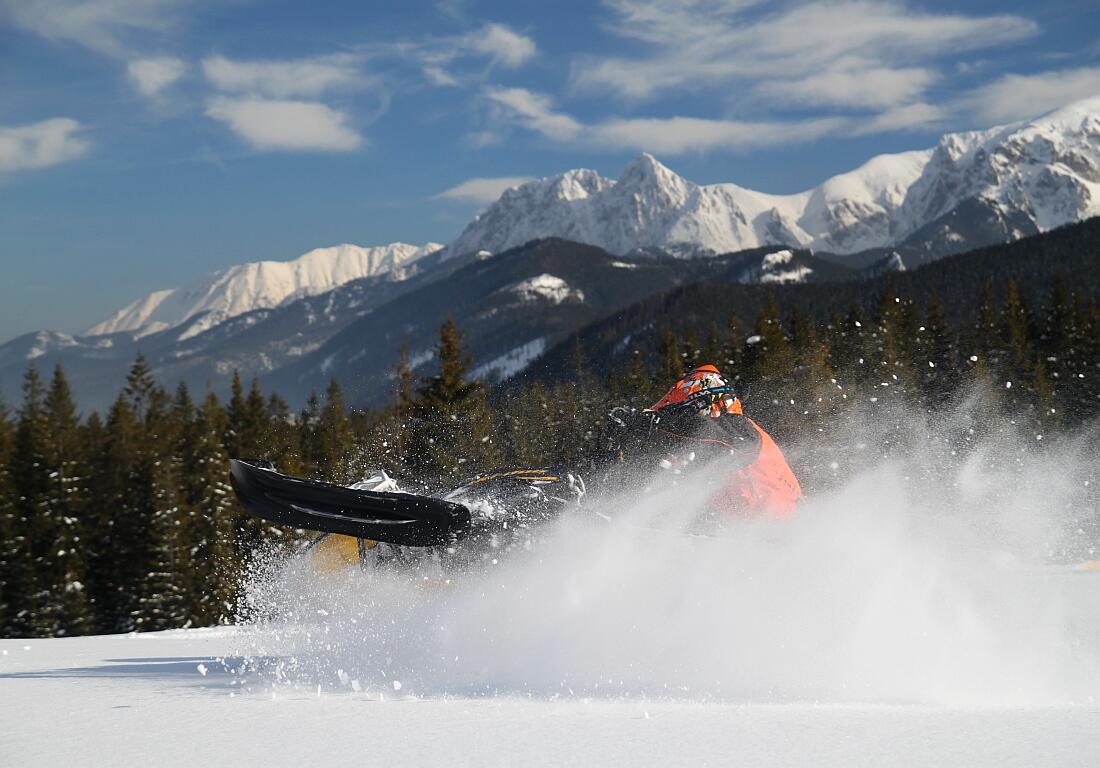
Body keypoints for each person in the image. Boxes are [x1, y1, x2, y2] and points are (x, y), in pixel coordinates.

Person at [608, 364, 801, 517]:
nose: (684, 420)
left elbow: (720, 436)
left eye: (685, 413)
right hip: (742, 536)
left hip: (778, 534)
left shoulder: (740, 429)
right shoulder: (708, 450)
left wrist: (654, 424)